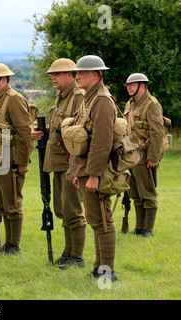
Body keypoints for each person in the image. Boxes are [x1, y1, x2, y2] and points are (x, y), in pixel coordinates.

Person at [66, 55, 118, 281]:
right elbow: (81, 138)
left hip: (98, 170)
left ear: (96, 75)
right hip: (86, 168)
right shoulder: (89, 99)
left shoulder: (103, 101)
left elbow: (101, 142)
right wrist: (78, 171)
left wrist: (94, 175)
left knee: (103, 219)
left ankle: (107, 271)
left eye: (82, 73)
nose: (77, 76)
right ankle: (98, 267)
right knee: (95, 218)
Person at [31, 58, 86, 269]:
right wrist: (41, 133)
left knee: (72, 210)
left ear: (70, 75)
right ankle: (68, 252)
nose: (53, 77)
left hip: (70, 162)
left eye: (58, 74)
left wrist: (75, 165)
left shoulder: (78, 97)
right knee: (62, 209)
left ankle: (77, 256)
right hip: (58, 162)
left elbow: (79, 133)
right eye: (52, 75)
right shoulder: (62, 98)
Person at [0, 63, 35, 255]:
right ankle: (8, 243)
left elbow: (24, 132)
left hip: (9, 161)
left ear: (2, 80)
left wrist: (22, 162)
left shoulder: (14, 99)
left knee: (12, 203)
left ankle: (14, 244)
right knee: (2, 205)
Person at [124, 73, 166, 237]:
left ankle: (148, 229)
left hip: (145, 156)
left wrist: (153, 158)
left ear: (142, 85)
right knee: (135, 194)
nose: (129, 88)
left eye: (132, 85)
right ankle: (139, 228)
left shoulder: (151, 104)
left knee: (147, 193)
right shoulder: (130, 104)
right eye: (128, 85)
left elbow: (157, 133)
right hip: (131, 156)